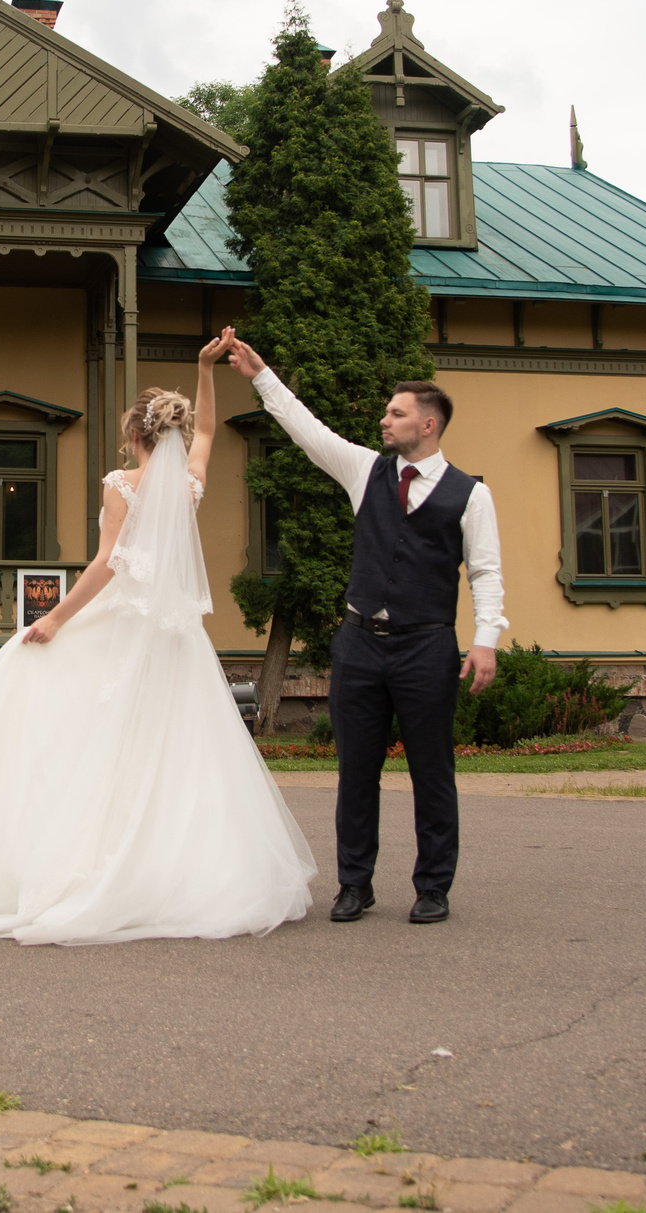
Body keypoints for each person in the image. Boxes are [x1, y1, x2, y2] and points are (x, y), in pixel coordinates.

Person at [0, 334, 317, 945]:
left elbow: (105, 565)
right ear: (175, 439)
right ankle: (174, 872)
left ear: (134, 436)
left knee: (74, 725)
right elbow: (207, 432)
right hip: (178, 639)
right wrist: (206, 370)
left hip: (126, 625)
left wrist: (54, 618)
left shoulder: (122, 485)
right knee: (176, 749)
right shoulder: (190, 484)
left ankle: (70, 862)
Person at [221, 329, 506, 926]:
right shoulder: (365, 472)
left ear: (427, 424)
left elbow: (485, 571)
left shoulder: (470, 496)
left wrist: (485, 641)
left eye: (396, 413)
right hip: (358, 643)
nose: (385, 420)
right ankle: (355, 884)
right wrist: (259, 374)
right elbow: (309, 430)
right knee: (355, 772)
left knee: (433, 772)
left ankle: (433, 887)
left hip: (427, 645)